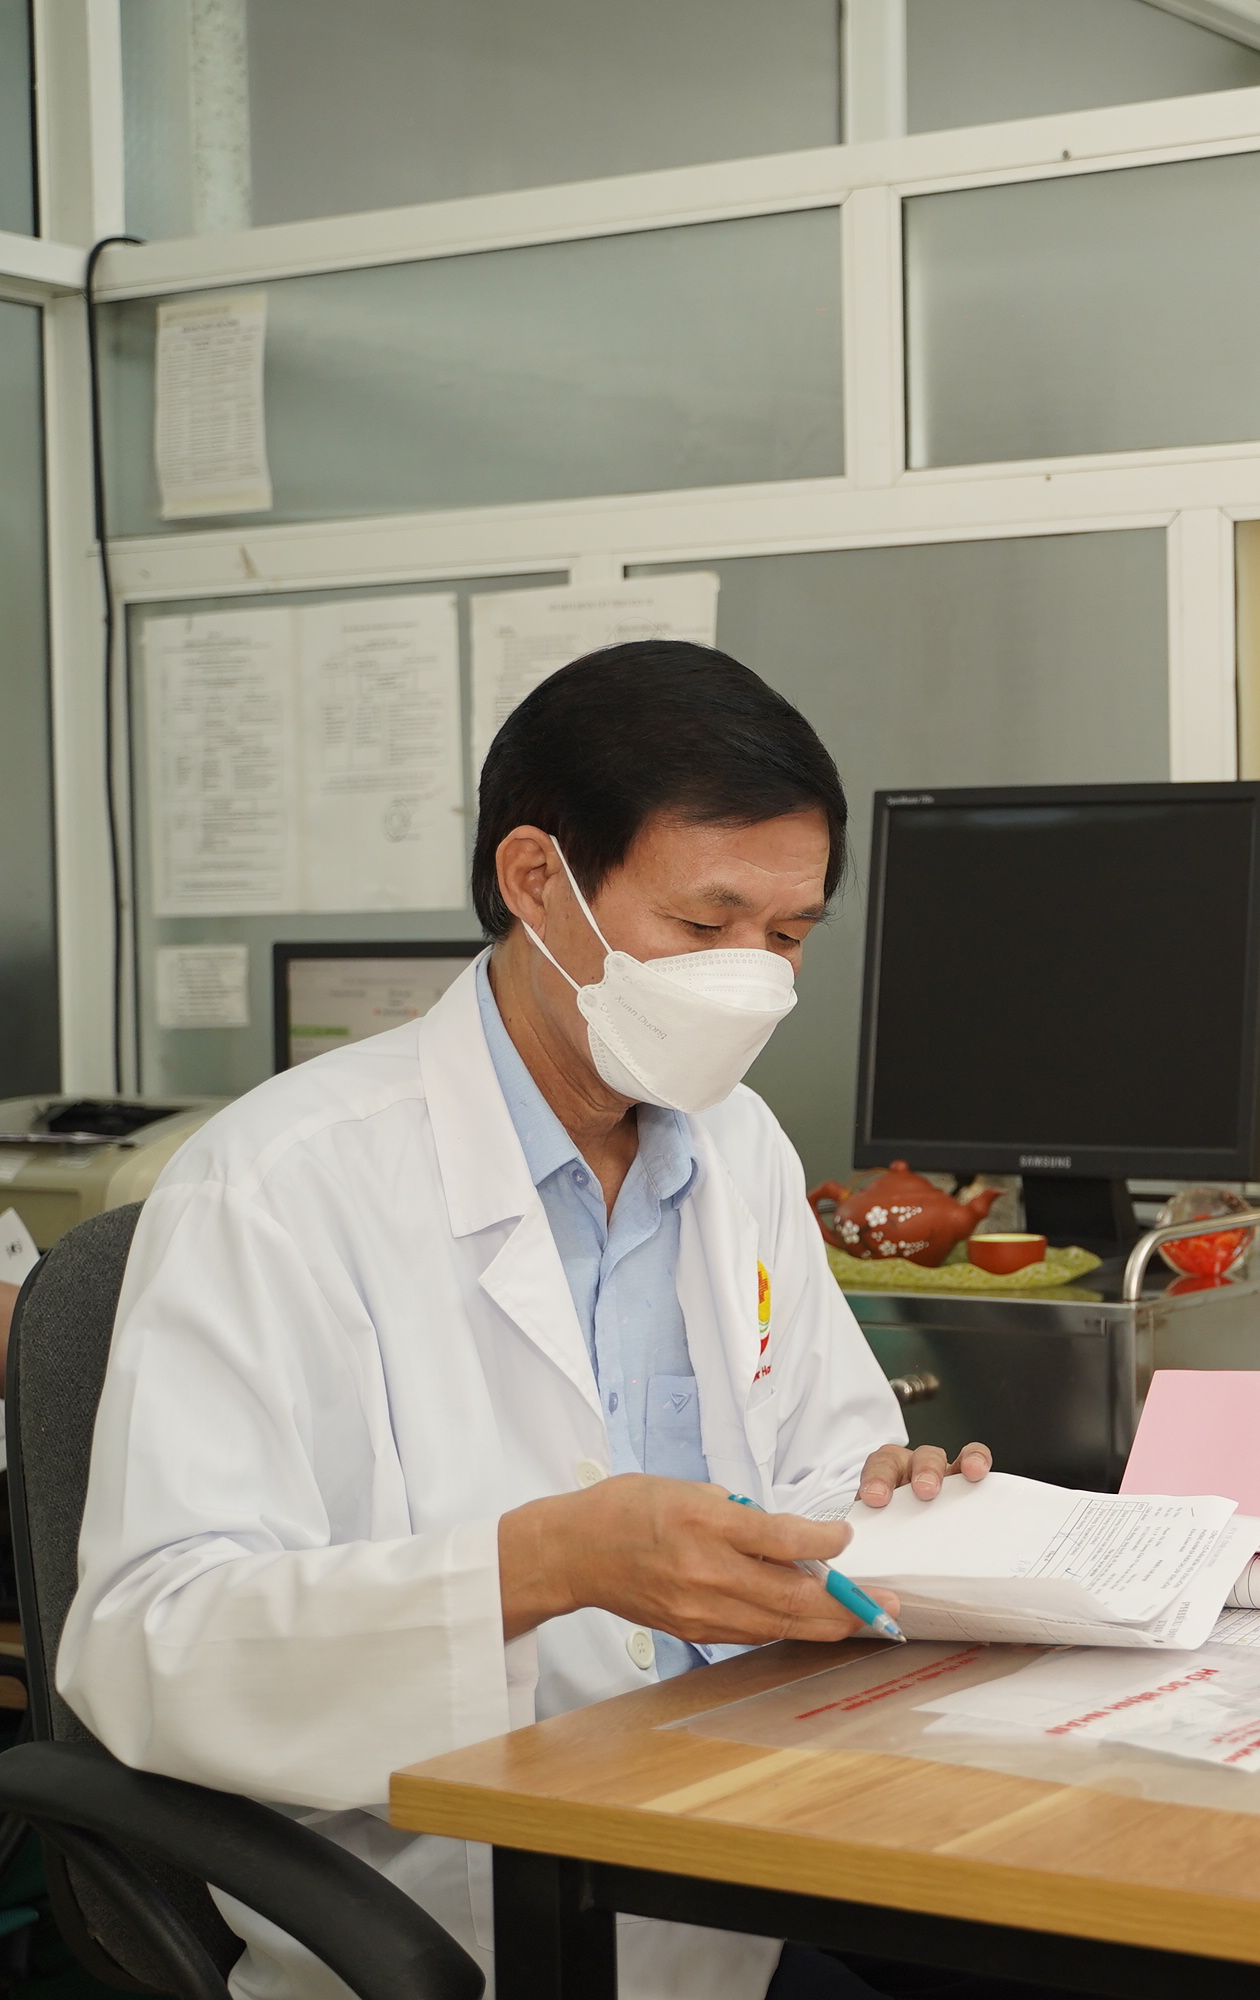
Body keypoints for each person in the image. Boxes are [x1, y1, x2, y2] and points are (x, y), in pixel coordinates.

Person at [63, 644, 1006, 2000]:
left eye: (787, 936)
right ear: (535, 880)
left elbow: (821, 1469)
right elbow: (153, 1647)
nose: (751, 977)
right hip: (452, 1927)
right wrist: (543, 1565)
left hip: (733, 1870)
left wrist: (892, 1504)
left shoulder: (735, 1144)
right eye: (704, 924)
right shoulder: (277, 1181)